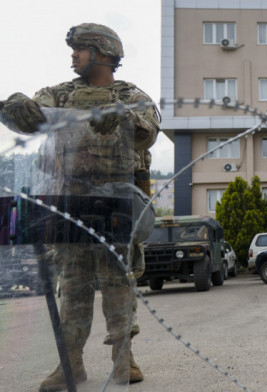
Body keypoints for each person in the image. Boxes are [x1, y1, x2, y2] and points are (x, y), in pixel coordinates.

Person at [1, 23, 160, 389]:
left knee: (118, 281)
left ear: (102, 52)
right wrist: (15, 106)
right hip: (66, 202)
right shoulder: (59, 94)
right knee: (72, 285)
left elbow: (148, 132)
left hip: (112, 204)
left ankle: (124, 360)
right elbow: (30, 115)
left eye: (80, 49)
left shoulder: (130, 94)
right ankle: (70, 364)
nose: (73, 55)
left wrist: (122, 116)